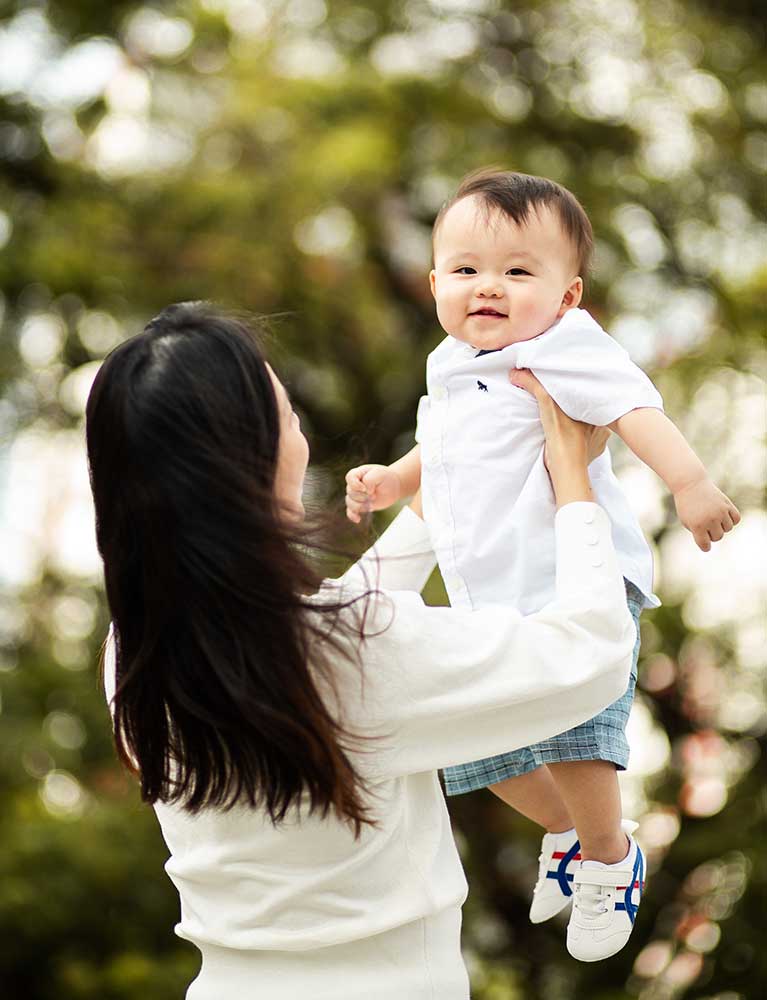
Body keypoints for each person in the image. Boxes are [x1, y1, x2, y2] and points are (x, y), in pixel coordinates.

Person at [87, 301, 638, 999]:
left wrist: (444, 490)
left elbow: (323, 652)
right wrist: (570, 477)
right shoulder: (351, 653)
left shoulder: (131, 653)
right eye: (285, 409)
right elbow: (591, 656)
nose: (296, 426)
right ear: (254, 454)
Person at [345, 169, 740, 962]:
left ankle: (607, 857)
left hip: (577, 577)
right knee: (471, 747)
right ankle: (563, 831)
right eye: (465, 270)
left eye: (518, 271)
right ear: (433, 285)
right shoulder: (448, 363)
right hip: (491, 594)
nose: (486, 287)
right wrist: (395, 480)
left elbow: (634, 410)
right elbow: (450, 447)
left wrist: (690, 483)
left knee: (573, 731)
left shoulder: (565, 345)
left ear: (567, 294)